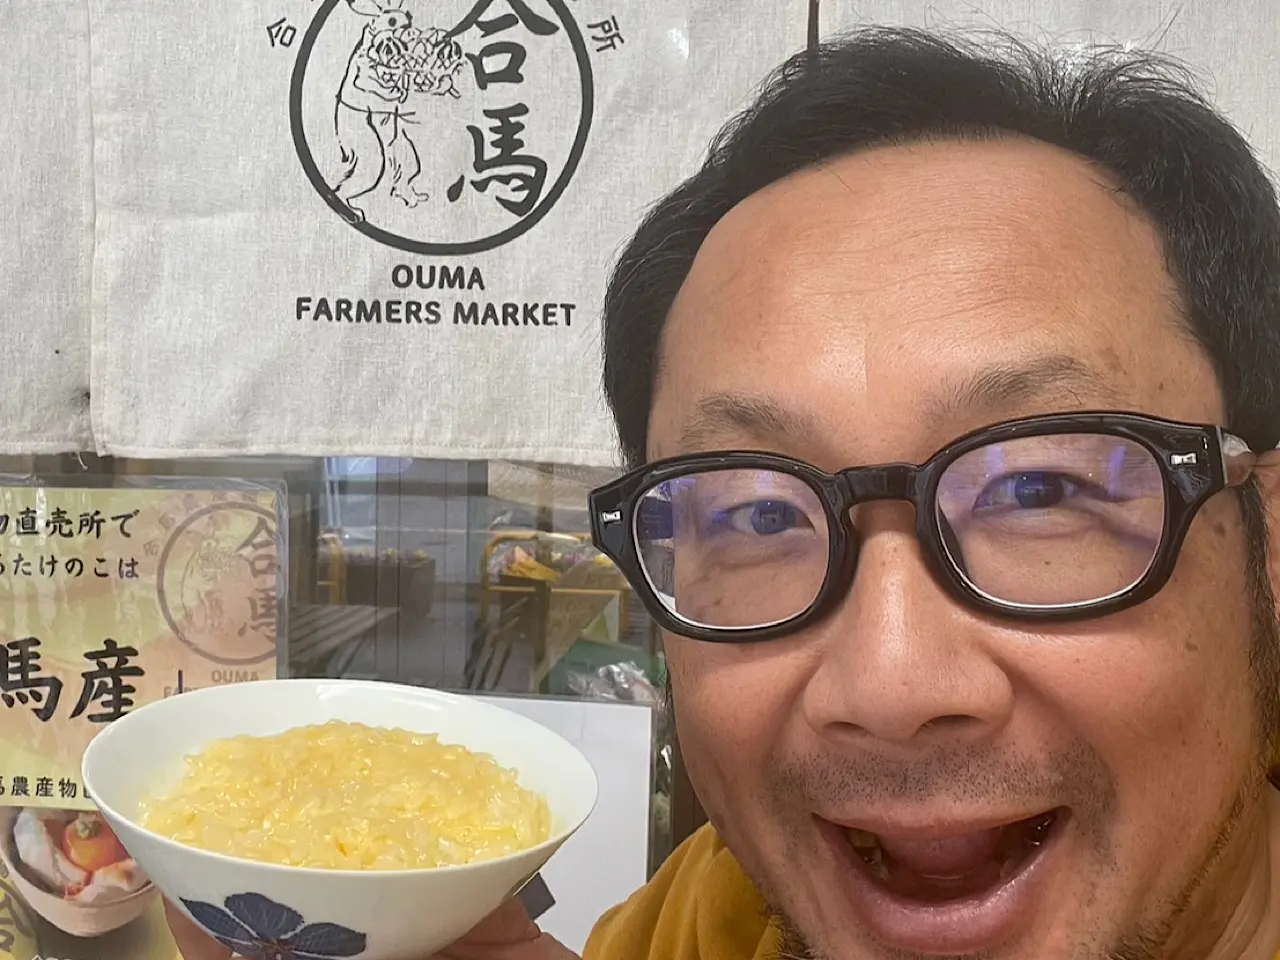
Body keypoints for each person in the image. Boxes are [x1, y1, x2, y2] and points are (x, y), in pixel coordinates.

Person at [171, 25, 1280, 960]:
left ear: (1267, 534)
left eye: (1037, 489)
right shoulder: (711, 915)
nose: (888, 685)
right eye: (757, 514)